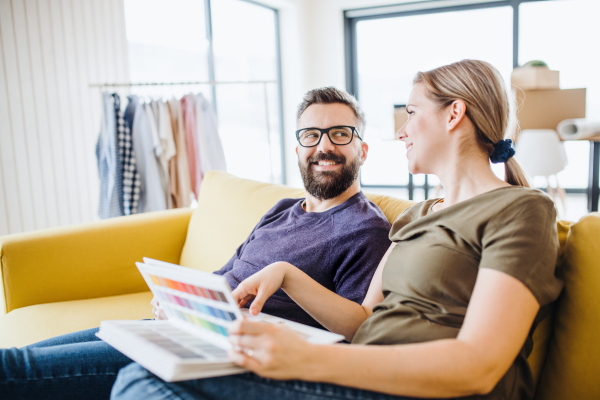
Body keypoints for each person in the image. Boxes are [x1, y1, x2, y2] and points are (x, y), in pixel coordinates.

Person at [111, 59, 564, 400]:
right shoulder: (418, 215)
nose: (402, 131)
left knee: (142, 380)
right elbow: (365, 320)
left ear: (453, 114)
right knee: (142, 366)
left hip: (403, 386)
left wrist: (308, 357)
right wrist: (288, 273)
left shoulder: (522, 210)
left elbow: (480, 366)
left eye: (410, 113)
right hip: (358, 369)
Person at [0, 88, 392, 400]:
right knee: (26, 356)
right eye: (312, 135)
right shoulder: (283, 208)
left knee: (18, 372)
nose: (324, 146)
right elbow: (226, 274)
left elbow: (358, 332)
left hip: (224, 359)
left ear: (362, 149)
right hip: (190, 329)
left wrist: (287, 277)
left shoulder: (365, 228)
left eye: (341, 134)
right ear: (298, 149)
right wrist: (178, 301)